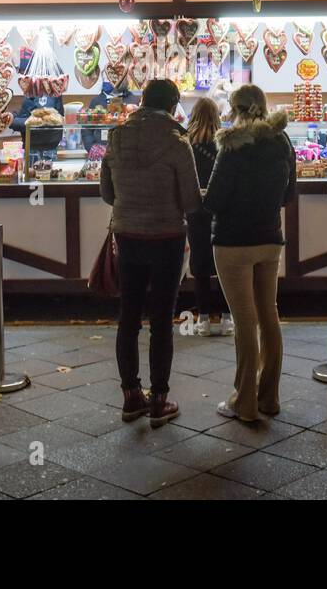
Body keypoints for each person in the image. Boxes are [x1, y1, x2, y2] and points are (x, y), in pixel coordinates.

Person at [100, 79, 201, 427]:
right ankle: (159, 400)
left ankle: (131, 398)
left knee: (128, 316)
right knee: (161, 319)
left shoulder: (117, 136)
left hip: (127, 235)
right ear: (173, 106)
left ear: (142, 101)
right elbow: (191, 201)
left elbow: (106, 193)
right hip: (167, 237)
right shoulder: (177, 140)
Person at [203, 84, 296, 422]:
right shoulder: (282, 142)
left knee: (245, 322)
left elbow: (213, 200)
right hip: (270, 239)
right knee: (269, 316)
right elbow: (289, 194)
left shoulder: (231, 146)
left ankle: (244, 403)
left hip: (233, 243)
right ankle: (268, 397)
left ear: (235, 109)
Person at [184, 99, 231, 336]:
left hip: (196, 209)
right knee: (223, 263)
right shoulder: (224, 142)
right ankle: (226, 318)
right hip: (222, 208)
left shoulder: (187, 143)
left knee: (200, 265)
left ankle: (203, 319)